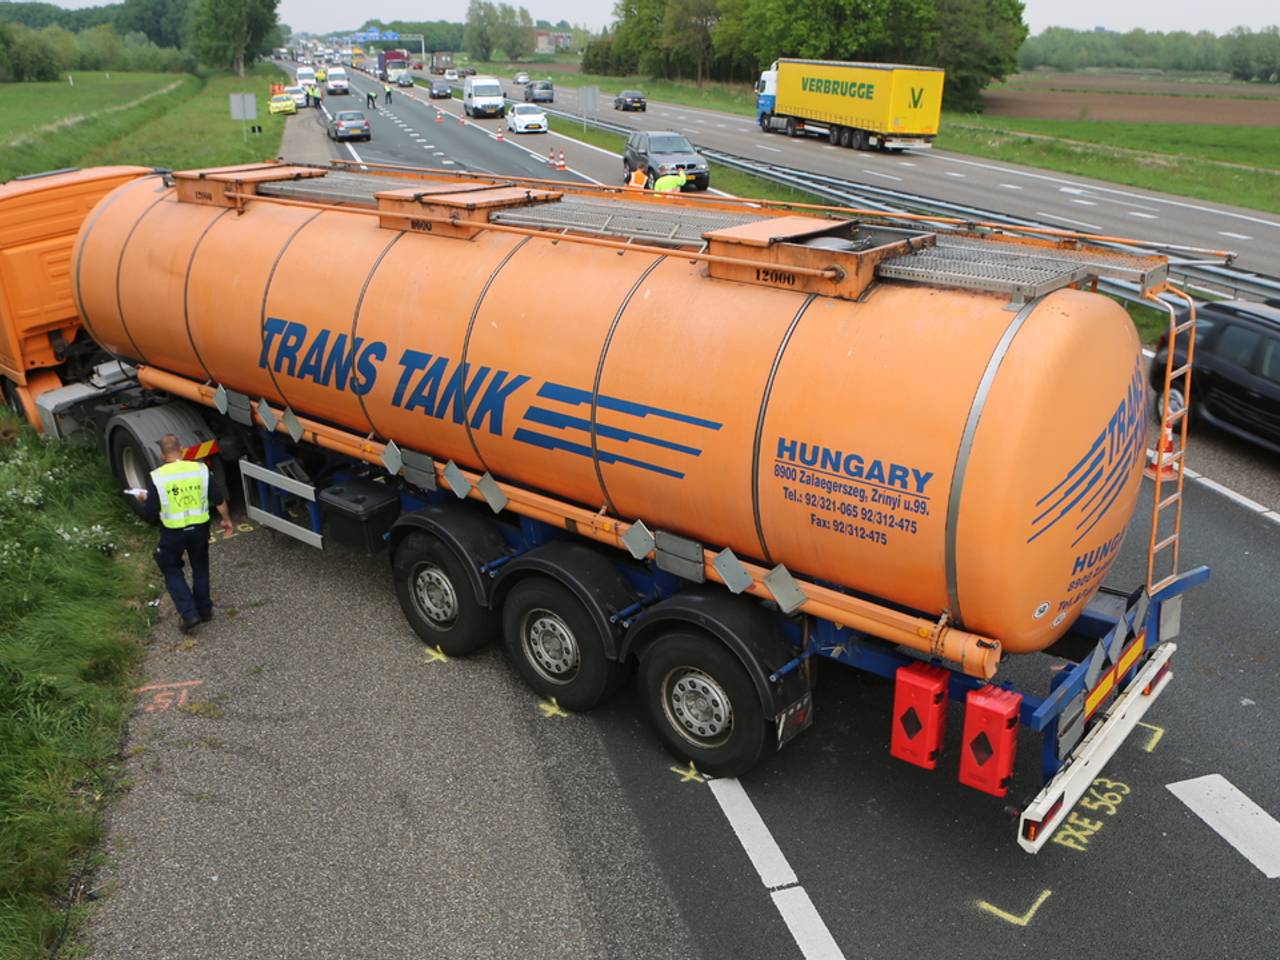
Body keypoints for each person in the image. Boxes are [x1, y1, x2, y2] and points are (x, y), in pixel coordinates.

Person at [132, 435, 233, 633]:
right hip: (200, 529)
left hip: (173, 532)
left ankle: (188, 614)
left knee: (171, 568)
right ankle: (205, 610)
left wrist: (146, 497)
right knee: (200, 566)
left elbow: (151, 511)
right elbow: (218, 498)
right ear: (183, 450)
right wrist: (226, 520)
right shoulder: (201, 470)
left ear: (163, 456)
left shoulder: (157, 476)